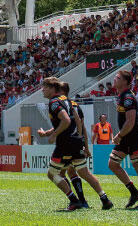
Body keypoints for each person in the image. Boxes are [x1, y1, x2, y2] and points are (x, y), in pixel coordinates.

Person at [37, 77, 88, 210]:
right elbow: (77, 121)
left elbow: (66, 120)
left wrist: (54, 135)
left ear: (53, 88)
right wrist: (80, 137)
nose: (42, 90)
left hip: (64, 143)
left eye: (45, 87)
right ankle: (96, 198)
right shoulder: (67, 102)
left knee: (53, 173)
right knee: (73, 172)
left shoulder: (54, 102)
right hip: (72, 141)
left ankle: (75, 200)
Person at [64, 84, 112, 209]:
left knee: (60, 172)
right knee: (77, 172)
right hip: (77, 142)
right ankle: (102, 198)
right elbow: (82, 127)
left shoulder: (62, 106)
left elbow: (67, 126)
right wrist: (85, 145)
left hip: (69, 143)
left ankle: (80, 201)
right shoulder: (76, 106)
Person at [107, 69, 138, 210]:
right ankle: (133, 192)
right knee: (113, 164)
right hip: (126, 137)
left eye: (117, 77)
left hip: (133, 137)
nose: (114, 79)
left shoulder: (128, 98)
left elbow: (130, 121)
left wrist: (119, 135)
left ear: (125, 81)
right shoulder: (122, 96)